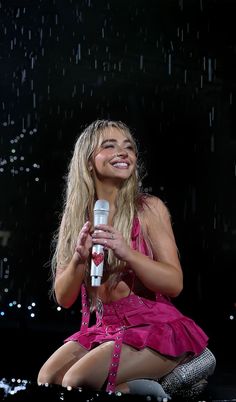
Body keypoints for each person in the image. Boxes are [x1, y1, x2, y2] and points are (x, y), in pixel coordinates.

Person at [37, 119, 209, 396]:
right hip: (108, 328)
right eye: (110, 145)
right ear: (88, 161)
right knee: (48, 379)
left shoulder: (148, 209)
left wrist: (127, 253)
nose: (123, 152)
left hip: (155, 328)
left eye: (129, 147)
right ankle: (144, 388)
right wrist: (79, 260)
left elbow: (174, 283)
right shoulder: (74, 220)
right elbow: (63, 297)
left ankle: (171, 377)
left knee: (78, 380)